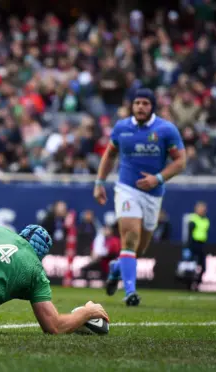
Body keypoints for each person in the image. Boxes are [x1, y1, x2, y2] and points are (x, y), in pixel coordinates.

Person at [93, 88, 186, 306]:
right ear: (132, 105)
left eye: (145, 103)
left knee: (140, 248)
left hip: (153, 194)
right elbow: (109, 154)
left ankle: (117, 268)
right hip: (127, 189)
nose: (140, 107)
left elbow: (180, 161)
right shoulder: (122, 127)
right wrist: (99, 183)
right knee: (130, 238)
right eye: (137, 103)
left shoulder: (165, 130)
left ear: (152, 106)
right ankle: (130, 292)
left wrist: (158, 179)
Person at [176, 201, 209, 291]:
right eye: (200, 208)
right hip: (193, 244)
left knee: (203, 267)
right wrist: (187, 246)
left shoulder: (206, 220)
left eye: (203, 208)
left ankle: (197, 284)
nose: (202, 210)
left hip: (201, 245)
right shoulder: (193, 219)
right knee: (190, 266)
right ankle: (189, 286)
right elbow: (189, 234)